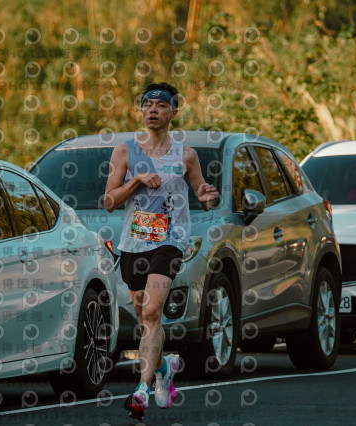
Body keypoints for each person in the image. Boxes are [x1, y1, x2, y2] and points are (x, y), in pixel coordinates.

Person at [104, 82, 219, 421]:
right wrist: (137, 181)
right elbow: (108, 201)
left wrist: (207, 197)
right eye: (147, 104)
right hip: (133, 242)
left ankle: (141, 391)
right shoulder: (124, 152)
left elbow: (202, 194)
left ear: (173, 112)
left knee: (153, 312)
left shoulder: (186, 155)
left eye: (160, 105)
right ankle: (163, 369)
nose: (152, 110)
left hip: (170, 239)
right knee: (145, 318)